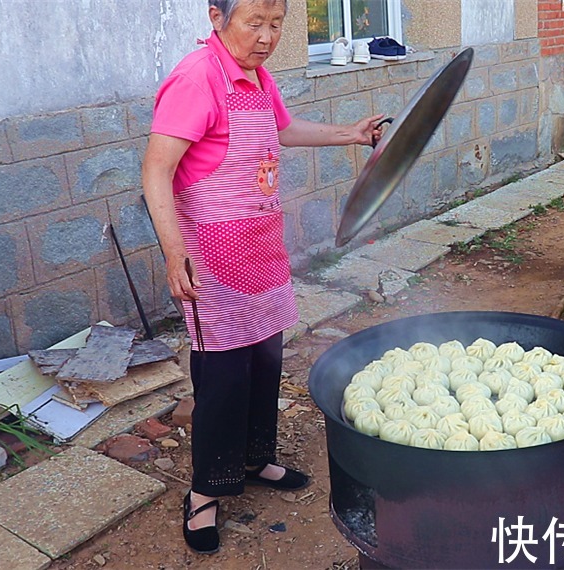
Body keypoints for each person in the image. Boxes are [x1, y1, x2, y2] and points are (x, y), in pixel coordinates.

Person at [141, 0, 383, 555]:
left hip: (260, 249)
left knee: (264, 361)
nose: (268, 36)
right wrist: (174, 252)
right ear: (216, 16)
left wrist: (349, 134)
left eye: (277, 24)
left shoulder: (255, 75)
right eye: (255, 22)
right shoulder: (197, 77)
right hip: (211, 256)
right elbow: (157, 167)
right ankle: (204, 492)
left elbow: (283, 127)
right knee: (222, 375)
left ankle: (254, 460)